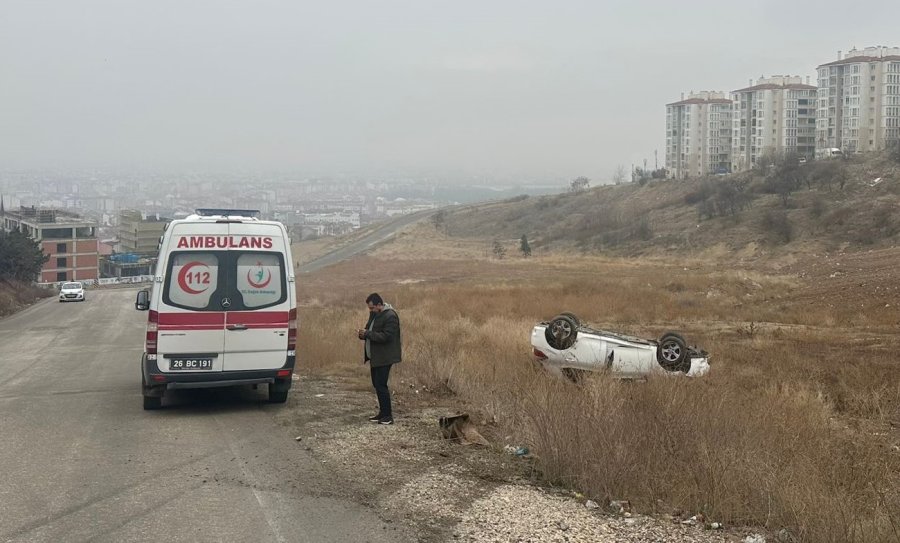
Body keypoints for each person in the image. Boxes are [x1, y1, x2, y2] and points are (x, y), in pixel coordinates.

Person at [357, 293, 401, 425]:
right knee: (377, 384)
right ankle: (382, 413)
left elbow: (386, 337)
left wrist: (368, 334)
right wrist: (363, 334)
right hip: (375, 356)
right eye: (369, 308)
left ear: (379, 305)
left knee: (381, 385)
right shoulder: (374, 315)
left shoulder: (391, 316)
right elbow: (369, 330)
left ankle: (388, 416)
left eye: (372, 308)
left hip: (385, 357)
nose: (370, 310)